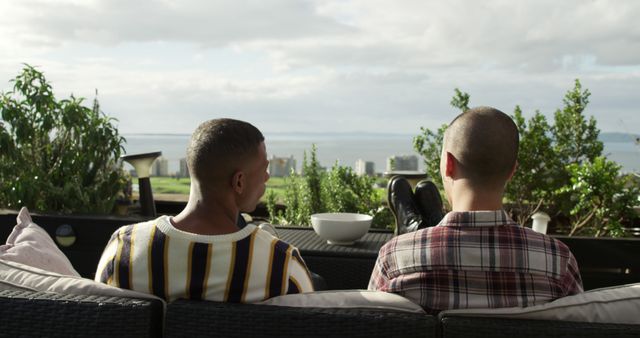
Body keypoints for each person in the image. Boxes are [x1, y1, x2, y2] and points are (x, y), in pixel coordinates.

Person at [369, 107, 583, 314]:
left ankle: (421, 228)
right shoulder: (558, 261)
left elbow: (371, 324)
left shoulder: (394, 259)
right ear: (512, 171)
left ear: (448, 165)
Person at [96, 118, 314, 302]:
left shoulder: (123, 248)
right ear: (239, 182)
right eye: (264, 169)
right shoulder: (280, 264)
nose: (267, 177)